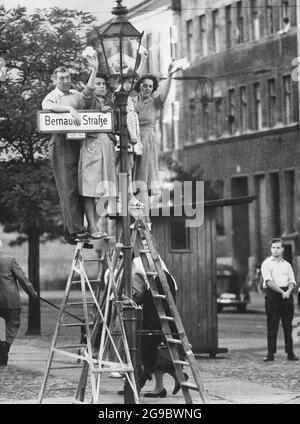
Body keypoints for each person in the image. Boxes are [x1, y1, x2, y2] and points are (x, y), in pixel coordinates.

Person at [42, 57, 98, 244]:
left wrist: (94, 69)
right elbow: (46, 106)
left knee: (81, 186)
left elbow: (88, 98)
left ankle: (73, 232)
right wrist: (66, 109)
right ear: (54, 80)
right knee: (68, 188)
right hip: (61, 143)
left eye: (67, 77)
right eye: (61, 78)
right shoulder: (53, 96)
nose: (65, 81)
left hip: (78, 142)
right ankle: (75, 229)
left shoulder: (75, 93)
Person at [132, 64, 179, 224]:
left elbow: (165, 93)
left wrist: (170, 75)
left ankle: (145, 218)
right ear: (139, 86)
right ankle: (136, 215)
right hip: (131, 138)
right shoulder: (132, 101)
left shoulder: (155, 102)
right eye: (144, 85)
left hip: (147, 140)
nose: (147, 89)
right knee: (131, 179)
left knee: (143, 179)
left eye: (150, 86)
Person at [78, 71, 118, 238]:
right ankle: (93, 227)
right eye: (98, 84)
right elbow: (87, 95)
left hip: (108, 147)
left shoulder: (111, 103)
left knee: (109, 190)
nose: (101, 87)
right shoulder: (87, 101)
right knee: (89, 188)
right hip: (92, 146)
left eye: (103, 84)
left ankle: (94, 225)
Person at [0, 239, 38, 365]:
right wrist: (32, 292)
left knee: (0, 328)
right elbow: (22, 278)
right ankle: (5, 345)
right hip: (10, 301)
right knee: (12, 324)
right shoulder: (9, 260)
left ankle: (1, 347)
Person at [261, 238, 298, 362]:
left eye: (278, 248)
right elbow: (269, 282)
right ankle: (270, 353)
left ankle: (290, 353)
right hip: (273, 296)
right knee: (273, 325)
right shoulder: (266, 263)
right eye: (273, 248)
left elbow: (292, 281)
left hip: (286, 296)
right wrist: (282, 292)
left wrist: (288, 291)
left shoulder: (287, 265)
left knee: (288, 325)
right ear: (271, 249)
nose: (275, 250)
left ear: (282, 249)